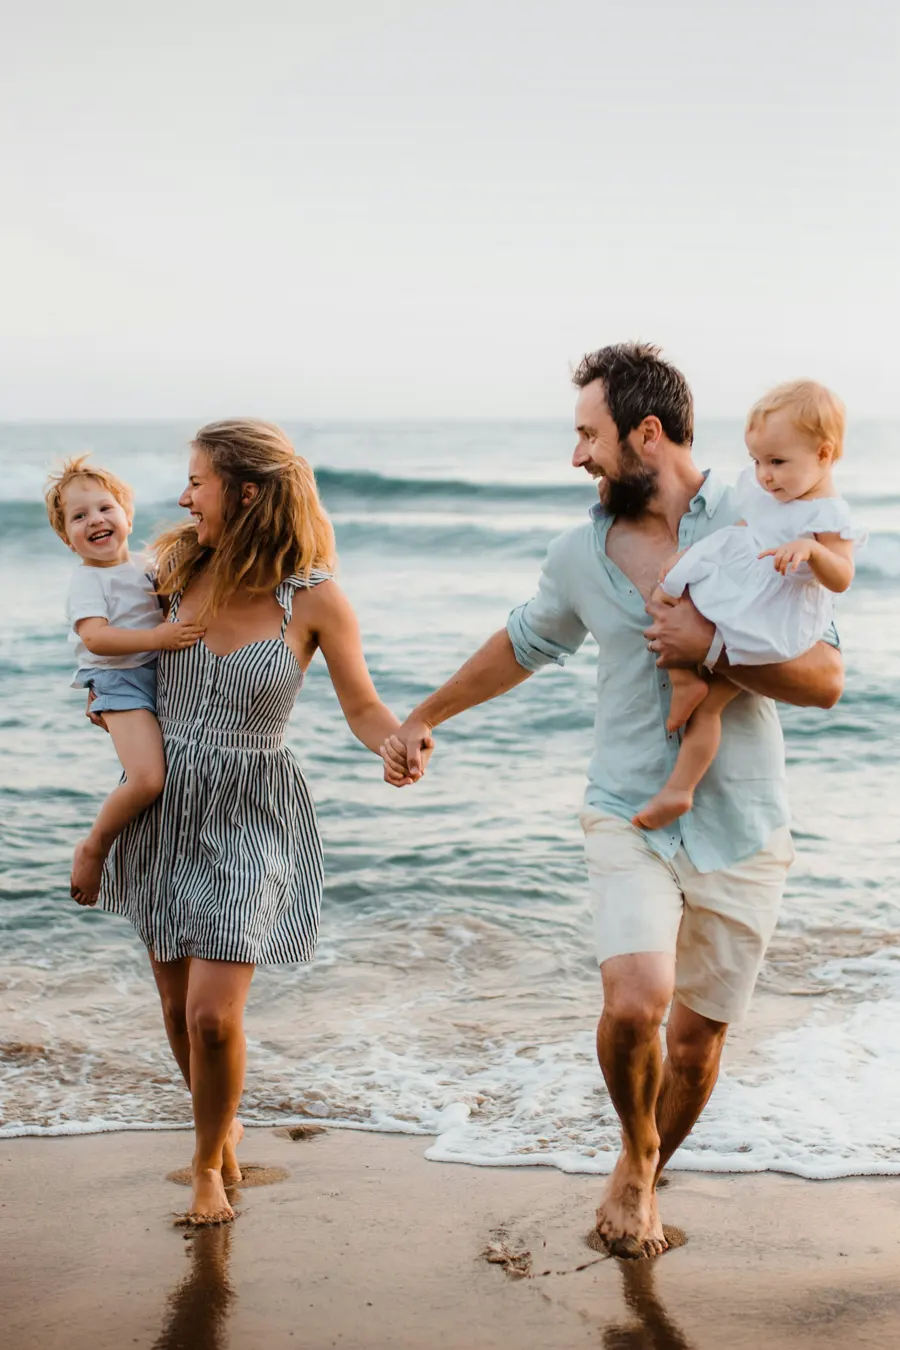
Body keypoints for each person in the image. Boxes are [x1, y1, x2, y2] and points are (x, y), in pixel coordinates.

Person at [380, 343, 843, 1258]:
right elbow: (522, 643)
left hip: (744, 819)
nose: (579, 457)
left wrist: (711, 648)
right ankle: (635, 1162)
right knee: (636, 1005)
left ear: (646, 433)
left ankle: (647, 1171)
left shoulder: (763, 514)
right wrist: (423, 716)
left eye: (589, 435)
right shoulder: (577, 553)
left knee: (697, 1045)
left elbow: (826, 680)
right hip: (627, 806)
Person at [90, 420, 411, 1226]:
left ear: (248, 490)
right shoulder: (172, 573)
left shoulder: (316, 597)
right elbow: (110, 659)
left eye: (197, 480)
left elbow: (363, 705)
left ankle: (206, 1165)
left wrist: (396, 740)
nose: (183, 495)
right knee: (173, 1009)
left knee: (211, 1012)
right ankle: (219, 1128)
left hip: (254, 806)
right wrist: (104, 707)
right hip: (166, 806)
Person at [632, 379, 864, 831]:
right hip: (747, 582)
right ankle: (683, 700)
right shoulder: (768, 491)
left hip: (775, 614)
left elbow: (843, 578)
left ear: (823, 454)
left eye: (776, 462)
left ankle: (679, 783)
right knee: (668, 589)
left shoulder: (829, 515)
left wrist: (814, 552)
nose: (764, 475)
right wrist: (706, 556)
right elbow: (749, 526)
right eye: (756, 461)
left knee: (711, 699)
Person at [45, 456, 206, 904]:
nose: (95, 520)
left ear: (127, 516)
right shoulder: (87, 582)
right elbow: (95, 637)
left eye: (104, 508)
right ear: (66, 538)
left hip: (157, 676)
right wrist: (157, 636)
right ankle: (94, 847)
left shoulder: (146, 565)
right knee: (148, 780)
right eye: (79, 517)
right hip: (120, 682)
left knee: (161, 777)